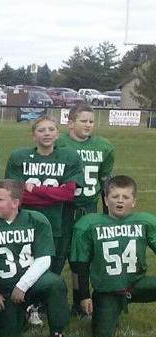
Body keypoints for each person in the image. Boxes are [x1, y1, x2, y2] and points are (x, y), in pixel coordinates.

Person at [0, 180, 75, 337]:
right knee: (8, 334)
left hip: (32, 282)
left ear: (15, 203)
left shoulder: (36, 220)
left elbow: (44, 259)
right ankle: (24, 313)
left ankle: (57, 336)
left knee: (55, 283)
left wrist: (22, 285)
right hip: (3, 289)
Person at [70, 175, 156, 337]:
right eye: (115, 196)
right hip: (108, 290)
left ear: (134, 201)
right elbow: (81, 264)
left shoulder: (145, 222)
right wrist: (85, 295)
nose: (120, 201)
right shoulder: (89, 224)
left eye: (126, 197)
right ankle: (111, 309)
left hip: (137, 283)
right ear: (106, 199)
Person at [56, 103, 115, 316]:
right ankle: (44, 301)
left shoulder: (103, 146)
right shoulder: (60, 143)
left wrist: (108, 214)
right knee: (56, 256)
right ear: (70, 123)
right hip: (62, 208)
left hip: (88, 208)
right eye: (83, 121)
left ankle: (80, 300)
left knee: (81, 258)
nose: (88, 125)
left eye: (91, 121)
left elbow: (105, 181)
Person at [5, 115, 84, 275]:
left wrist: (35, 190)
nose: (47, 133)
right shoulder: (18, 157)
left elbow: (68, 193)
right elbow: (15, 195)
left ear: (57, 134)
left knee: (53, 271)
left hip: (58, 223)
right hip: (25, 222)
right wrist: (54, 195)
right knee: (24, 268)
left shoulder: (70, 157)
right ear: (33, 136)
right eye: (41, 130)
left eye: (51, 129)